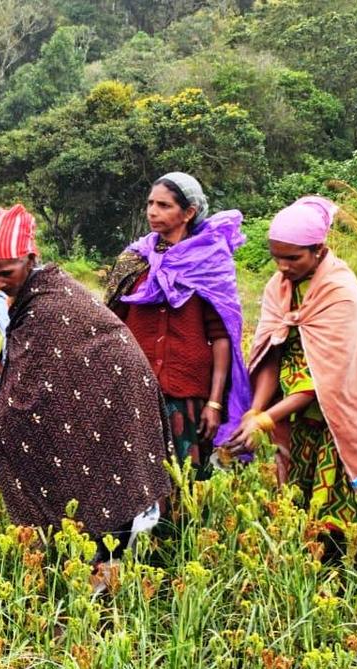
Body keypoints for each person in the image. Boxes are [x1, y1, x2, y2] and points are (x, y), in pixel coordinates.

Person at [0, 204, 173, 561]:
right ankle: (92, 561)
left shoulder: (46, 306)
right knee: (84, 474)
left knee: (101, 477)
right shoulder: (37, 293)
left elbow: (18, 396)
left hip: (119, 394)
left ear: (30, 258)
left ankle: (106, 570)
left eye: (6, 273)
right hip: (106, 394)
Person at [226, 196, 357, 535]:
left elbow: (325, 378)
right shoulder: (278, 286)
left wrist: (268, 418)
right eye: (276, 257)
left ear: (318, 249)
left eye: (292, 258)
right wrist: (255, 412)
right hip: (293, 411)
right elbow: (271, 353)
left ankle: (348, 567)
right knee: (293, 497)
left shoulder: (340, 290)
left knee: (339, 505)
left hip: (337, 410)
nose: (283, 266)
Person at [105, 172, 251, 478]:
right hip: (137, 388)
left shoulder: (208, 261)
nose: (152, 211)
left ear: (188, 212)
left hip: (186, 392)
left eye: (164, 205)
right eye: (150, 203)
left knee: (184, 479)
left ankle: (178, 529)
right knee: (135, 476)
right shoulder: (134, 260)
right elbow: (111, 325)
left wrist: (214, 401)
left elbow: (221, 335)